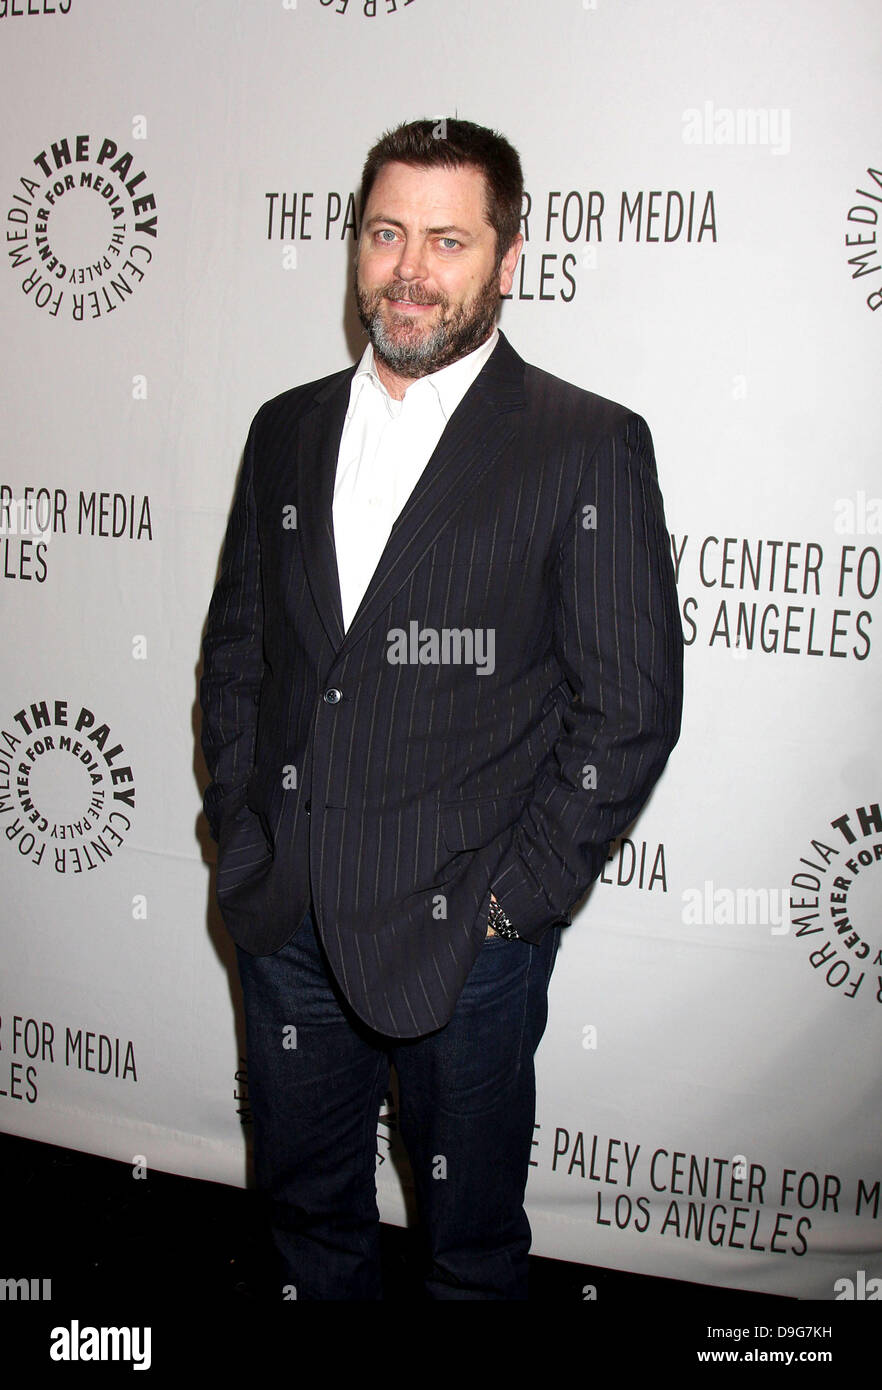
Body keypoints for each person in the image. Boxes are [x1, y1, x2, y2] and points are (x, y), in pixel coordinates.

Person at [198, 117, 683, 1300]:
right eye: (386, 234)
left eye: (449, 240)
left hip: (466, 937)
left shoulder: (585, 444)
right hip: (286, 920)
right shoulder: (286, 428)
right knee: (308, 1218)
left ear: (508, 260)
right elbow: (238, 657)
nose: (411, 268)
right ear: (356, 245)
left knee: (470, 1252)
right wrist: (243, 834)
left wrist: (514, 904)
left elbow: (629, 707)